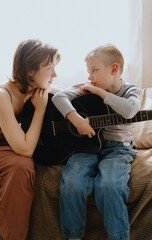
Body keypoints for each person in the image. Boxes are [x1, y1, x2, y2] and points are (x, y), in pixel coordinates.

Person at [52, 43, 142, 240]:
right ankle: (73, 236)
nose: (90, 77)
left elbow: (129, 111)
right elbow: (59, 97)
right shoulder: (87, 87)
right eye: (88, 72)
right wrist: (75, 119)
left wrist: (101, 93)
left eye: (94, 70)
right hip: (86, 146)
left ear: (114, 69)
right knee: (72, 184)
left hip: (118, 149)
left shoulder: (131, 91)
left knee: (109, 185)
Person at [0, 39, 60, 240]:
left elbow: (66, 95)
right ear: (30, 70)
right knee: (22, 166)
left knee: (26, 165)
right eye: (50, 68)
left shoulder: (34, 90)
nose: (54, 75)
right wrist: (40, 109)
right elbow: (25, 150)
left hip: (9, 145)